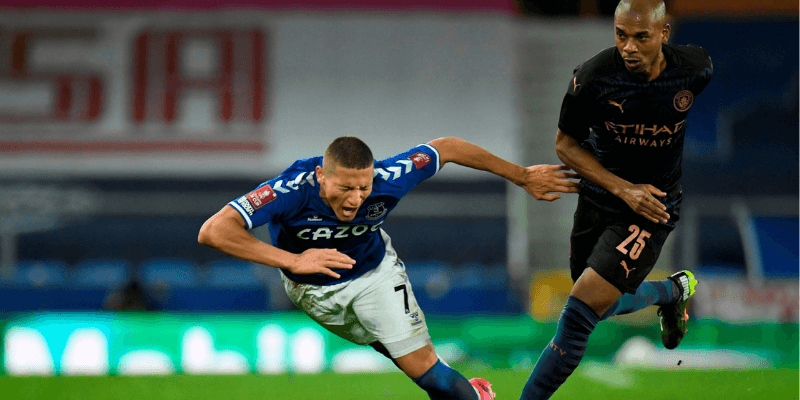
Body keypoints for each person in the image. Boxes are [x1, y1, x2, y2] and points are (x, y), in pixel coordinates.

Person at [199, 136, 580, 400]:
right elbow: (213, 231)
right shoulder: (290, 189)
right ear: (321, 176)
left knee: (429, 373)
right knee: (415, 365)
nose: (355, 199)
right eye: (344, 188)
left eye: (362, 188)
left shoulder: (390, 177)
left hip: (374, 278)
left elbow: (446, 148)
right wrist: (294, 259)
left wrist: (520, 174)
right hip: (311, 291)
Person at [519, 1, 713, 399]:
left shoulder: (694, 69)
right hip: (601, 198)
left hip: (654, 206)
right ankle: (670, 293)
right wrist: (623, 188)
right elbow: (565, 145)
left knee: (578, 314)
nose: (629, 47)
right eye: (621, 35)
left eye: (641, 37)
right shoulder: (592, 78)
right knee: (597, 303)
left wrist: (639, 193)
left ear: (664, 33)